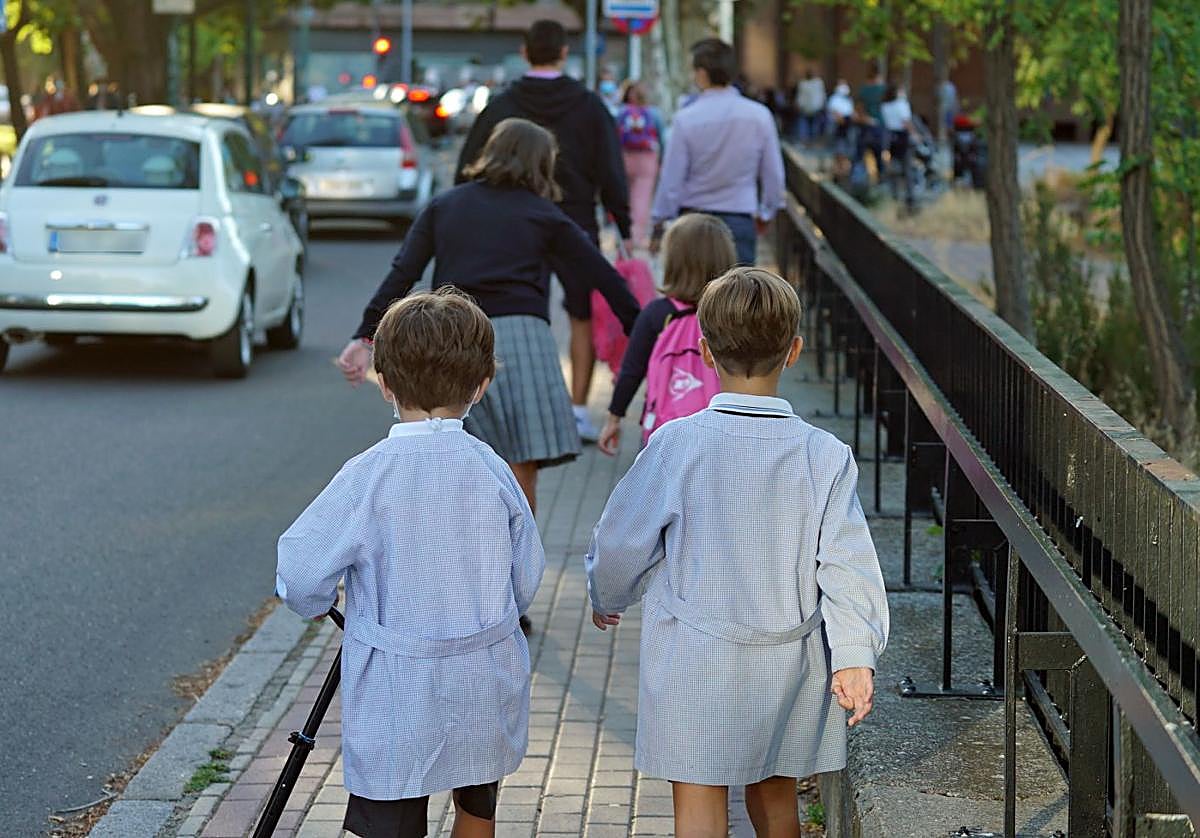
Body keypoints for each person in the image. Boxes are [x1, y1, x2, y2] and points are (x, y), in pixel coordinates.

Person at [586, 268, 890, 836]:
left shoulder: (677, 442)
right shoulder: (824, 455)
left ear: (704, 351)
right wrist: (854, 653)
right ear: (794, 351)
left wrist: (609, 592)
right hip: (786, 658)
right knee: (776, 797)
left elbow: (622, 538)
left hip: (693, 657)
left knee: (698, 799)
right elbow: (847, 564)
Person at [279, 289, 545, 838]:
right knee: (477, 802)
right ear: (481, 385)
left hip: (399, 680)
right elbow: (527, 573)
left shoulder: (369, 475)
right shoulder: (492, 470)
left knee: (393, 813)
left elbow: (303, 571)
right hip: (482, 668)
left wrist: (315, 602)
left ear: (385, 382)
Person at [338, 118, 639, 542]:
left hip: (453, 338)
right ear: (540, 165)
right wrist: (646, 333)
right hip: (524, 342)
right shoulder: (544, 215)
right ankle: (512, 589)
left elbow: (402, 272)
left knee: (450, 460)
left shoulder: (446, 206)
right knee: (519, 470)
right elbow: (604, 278)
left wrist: (363, 337)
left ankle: (451, 570)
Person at [456, 19, 633, 443]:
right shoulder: (590, 105)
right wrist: (622, 223)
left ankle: (501, 405)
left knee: (515, 310)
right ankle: (576, 411)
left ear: (524, 51)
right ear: (564, 53)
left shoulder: (502, 104)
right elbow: (611, 168)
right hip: (574, 219)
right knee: (581, 315)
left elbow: (466, 164)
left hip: (510, 223)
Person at [598, 213, 736, 455]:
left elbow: (631, 371)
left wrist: (614, 417)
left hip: (663, 432)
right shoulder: (733, 315)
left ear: (673, 262)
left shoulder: (657, 314)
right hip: (722, 433)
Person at [651, 38, 785, 267]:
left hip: (693, 220)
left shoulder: (686, 119)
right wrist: (767, 212)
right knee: (736, 298)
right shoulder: (759, 116)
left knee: (693, 296)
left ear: (702, 74)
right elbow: (774, 174)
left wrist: (659, 220)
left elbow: (672, 178)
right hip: (739, 218)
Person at [615, 80, 666, 250]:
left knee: (622, 197)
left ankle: (622, 235)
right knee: (641, 199)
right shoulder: (654, 113)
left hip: (623, 157)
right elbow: (661, 138)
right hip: (646, 159)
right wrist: (662, 160)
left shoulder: (620, 112)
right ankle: (636, 236)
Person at [880, 84, 915, 210]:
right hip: (902, 138)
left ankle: (895, 195)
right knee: (907, 169)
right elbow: (907, 122)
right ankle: (910, 197)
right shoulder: (902, 105)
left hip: (890, 138)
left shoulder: (884, 106)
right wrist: (915, 135)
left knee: (894, 169)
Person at [856, 66, 887, 180]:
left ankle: (858, 179)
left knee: (860, 154)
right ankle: (881, 180)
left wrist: (865, 118)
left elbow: (859, 107)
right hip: (880, 126)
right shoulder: (883, 89)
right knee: (879, 156)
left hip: (865, 125)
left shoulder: (864, 90)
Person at [796, 69, 827, 144]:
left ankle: (812, 141)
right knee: (806, 126)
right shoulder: (803, 83)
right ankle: (806, 141)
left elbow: (821, 95)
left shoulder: (818, 83)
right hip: (805, 109)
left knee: (814, 126)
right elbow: (800, 96)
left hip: (815, 108)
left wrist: (821, 104)